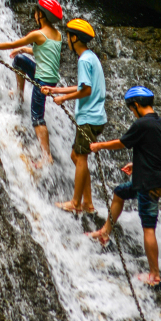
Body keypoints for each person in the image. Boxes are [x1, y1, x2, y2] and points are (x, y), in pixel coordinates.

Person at [86, 85, 161, 288]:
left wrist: (99, 145)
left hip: (148, 185)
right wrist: (137, 164)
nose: (131, 112)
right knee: (119, 192)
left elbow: (122, 143)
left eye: (131, 108)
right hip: (158, 179)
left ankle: (154, 275)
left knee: (148, 228)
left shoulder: (142, 124)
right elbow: (157, 151)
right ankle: (105, 232)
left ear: (136, 105)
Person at [0, 0, 63, 167]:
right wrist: (24, 50)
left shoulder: (37, 34)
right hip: (50, 78)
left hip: (43, 82)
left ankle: (46, 156)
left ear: (41, 15)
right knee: (19, 60)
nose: (34, 14)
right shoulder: (57, 34)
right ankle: (19, 93)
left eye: (36, 12)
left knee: (37, 118)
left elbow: (12, 43)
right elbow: (44, 53)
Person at [42, 19, 106, 214]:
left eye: (68, 36)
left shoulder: (84, 60)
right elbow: (82, 86)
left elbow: (85, 91)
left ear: (74, 38)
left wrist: (64, 99)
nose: (67, 40)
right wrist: (57, 90)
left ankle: (76, 203)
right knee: (75, 155)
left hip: (89, 118)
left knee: (80, 158)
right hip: (94, 117)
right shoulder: (90, 57)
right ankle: (88, 203)